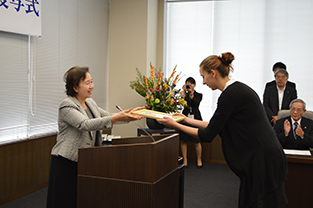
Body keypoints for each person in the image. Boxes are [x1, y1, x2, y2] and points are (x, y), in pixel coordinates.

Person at [158, 52, 288, 208]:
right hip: (266, 157)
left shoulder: (230, 95)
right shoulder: (237, 89)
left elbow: (207, 134)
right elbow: (216, 124)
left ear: (213, 73)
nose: (203, 82)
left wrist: (175, 125)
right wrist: (185, 120)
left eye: (203, 76)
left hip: (262, 161)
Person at [46, 66, 144, 208]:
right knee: (65, 200)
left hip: (86, 160)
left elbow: (108, 117)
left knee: (81, 199)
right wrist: (117, 117)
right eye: (87, 83)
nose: (92, 86)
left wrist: (129, 116)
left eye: (92, 81)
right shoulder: (67, 105)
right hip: (66, 162)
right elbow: (84, 124)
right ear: (75, 87)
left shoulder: (90, 102)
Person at [180, 77, 203, 168]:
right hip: (184, 118)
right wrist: (183, 92)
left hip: (195, 119)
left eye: (191, 84)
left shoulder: (199, 95)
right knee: (183, 140)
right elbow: (181, 103)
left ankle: (199, 159)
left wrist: (191, 93)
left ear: (194, 85)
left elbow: (195, 104)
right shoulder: (183, 95)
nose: (189, 85)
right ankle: (185, 159)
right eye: (188, 84)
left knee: (197, 141)